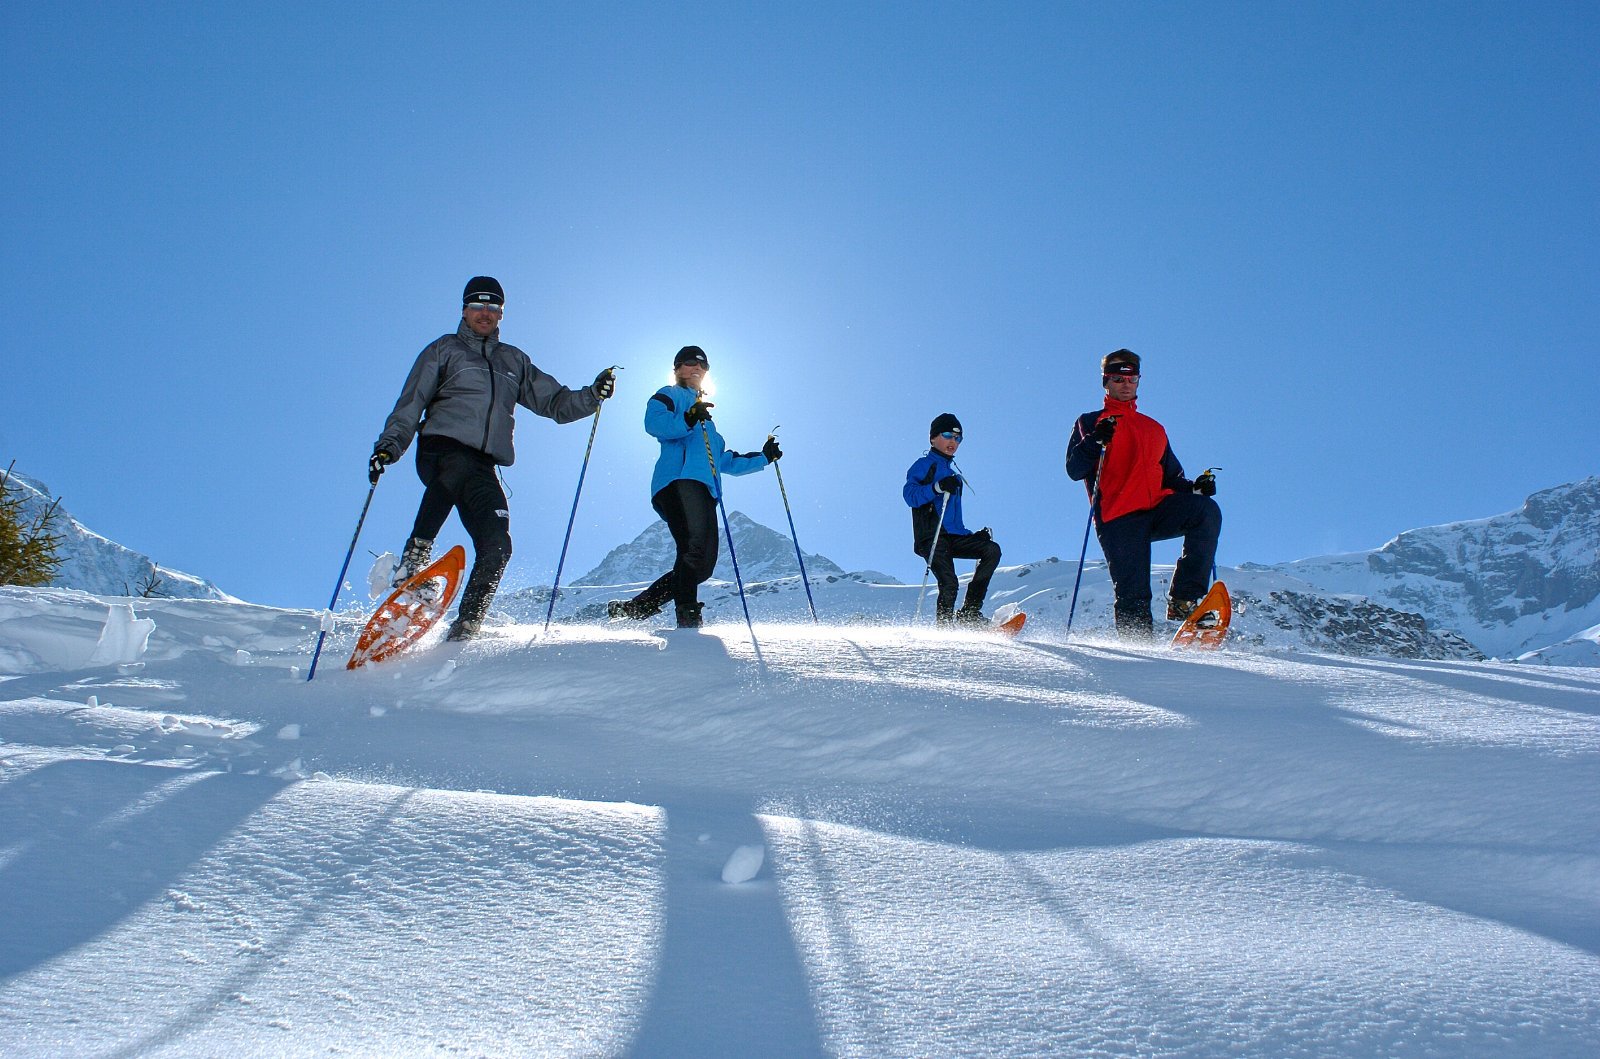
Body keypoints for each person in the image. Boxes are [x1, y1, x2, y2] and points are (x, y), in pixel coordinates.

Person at [368, 276, 617, 641]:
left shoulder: (513, 360)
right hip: (442, 448)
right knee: (457, 465)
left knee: (499, 544)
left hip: (484, 464)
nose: (485, 313)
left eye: (493, 307)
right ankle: (412, 565)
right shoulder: (444, 350)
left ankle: (466, 626)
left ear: (501, 314)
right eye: (478, 306)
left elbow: (555, 402)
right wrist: (389, 447)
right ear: (464, 310)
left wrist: (592, 395)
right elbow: (412, 402)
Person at [608, 345, 780, 629]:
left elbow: (724, 460)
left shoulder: (709, 425)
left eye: (703, 365)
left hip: (700, 488)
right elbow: (655, 424)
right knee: (695, 552)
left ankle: (638, 607)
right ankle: (687, 616)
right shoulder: (670, 395)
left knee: (700, 564)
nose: (697, 368)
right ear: (676, 369)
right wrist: (689, 417)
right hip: (680, 481)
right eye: (689, 363)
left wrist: (764, 457)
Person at [1065, 349, 1221, 640]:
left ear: (1138, 381)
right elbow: (1075, 469)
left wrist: (1195, 489)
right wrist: (1096, 440)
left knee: (1205, 511)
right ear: (1106, 382)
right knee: (1133, 594)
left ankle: (1183, 600)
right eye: (1117, 378)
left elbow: (1172, 478)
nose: (1125, 384)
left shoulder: (1154, 429)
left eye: (1131, 378)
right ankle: (1138, 655)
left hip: (1157, 509)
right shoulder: (1090, 422)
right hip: (1118, 517)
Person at [903, 413, 1002, 626]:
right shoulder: (924, 465)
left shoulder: (953, 475)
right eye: (948, 435)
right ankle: (945, 630)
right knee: (949, 582)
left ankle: (969, 613)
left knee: (991, 550)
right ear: (932, 438)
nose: (953, 442)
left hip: (952, 536)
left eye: (958, 439)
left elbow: (952, 520)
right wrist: (937, 487)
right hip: (932, 536)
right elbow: (910, 496)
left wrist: (972, 536)